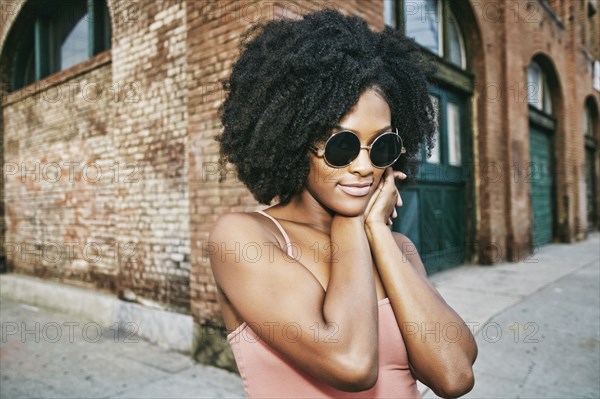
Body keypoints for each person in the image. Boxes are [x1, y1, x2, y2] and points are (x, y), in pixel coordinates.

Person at [209, 9, 477, 399]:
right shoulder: (244, 238)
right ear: (294, 140)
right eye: (343, 146)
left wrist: (380, 235)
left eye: (382, 146)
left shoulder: (397, 248)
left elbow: (454, 376)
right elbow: (351, 363)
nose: (365, 167)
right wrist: (350, 223)